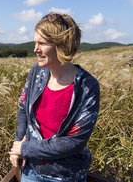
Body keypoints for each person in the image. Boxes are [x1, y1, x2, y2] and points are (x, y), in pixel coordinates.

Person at [8, 12, 100, 182]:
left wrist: (25, 148)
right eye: (35, 42)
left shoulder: (86, 86)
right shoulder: (37, 72)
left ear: (61, 45)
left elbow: (74, 141)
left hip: (65, 175)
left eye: (42, 43)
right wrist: (18, 145)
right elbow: (23, 109)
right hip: (31, 169)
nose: (35, 49)